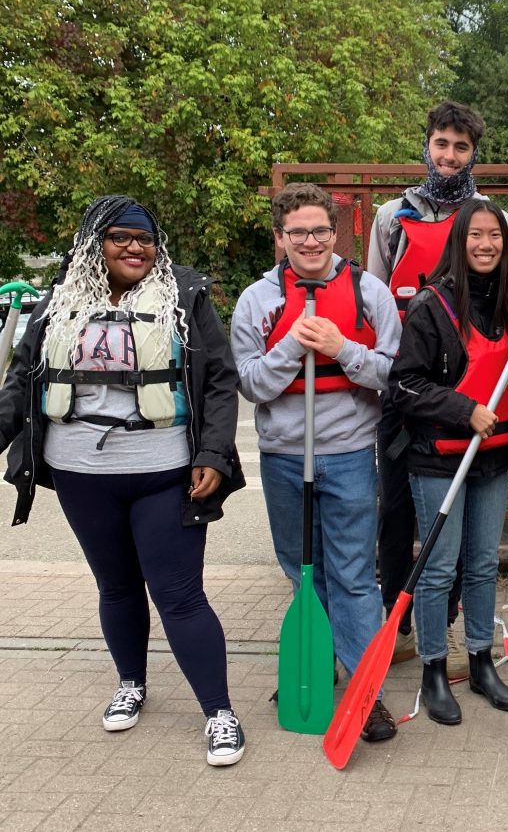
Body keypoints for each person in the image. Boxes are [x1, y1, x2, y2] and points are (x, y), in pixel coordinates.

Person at [0, 195, 247, 765]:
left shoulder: (184, 296)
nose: (135, 247)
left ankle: (219, 712)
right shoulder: (56, 304)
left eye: (144, 237)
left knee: (180, 596)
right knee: (115, 587)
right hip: (82, 473)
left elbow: (218, 380)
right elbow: (22, 382)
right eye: (119, 237)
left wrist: (212, 452)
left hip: (164, 471)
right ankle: (131, 683)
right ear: (95, 243)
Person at [231, 182, 401, 742]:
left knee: (352, 575)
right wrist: (291, 347)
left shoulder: (368, 291)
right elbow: (252, 384)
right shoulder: (258, 300)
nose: (310, 241)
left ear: (335, 233)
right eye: (298, 232)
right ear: (281, 238)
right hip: (282, 456)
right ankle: (318, 659)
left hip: (349, 452)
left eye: (320, 230)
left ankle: (363, 689)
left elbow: (392, 374)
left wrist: (338, 347)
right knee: (302, 568)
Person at [366, 100, 508, 676]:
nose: (449, 155)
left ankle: (451, 630)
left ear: (473, 153)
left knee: (462, 538)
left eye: (460, 147)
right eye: (441, 144)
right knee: (398, 515)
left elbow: (502, 299)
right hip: (409, 387)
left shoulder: (493, 220)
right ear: (427, 145)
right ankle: (397, 627)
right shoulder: (392, 215)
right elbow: (377, 302)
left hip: (471, 392)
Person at [388, 198, 508, 725]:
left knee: (484, 564)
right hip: (438, 459)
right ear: (459, 241)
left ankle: (482, 661)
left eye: (495, 237)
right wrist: (464, 409)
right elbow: (404, 385)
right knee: (439, 567)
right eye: (476, 236)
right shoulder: (429, 306)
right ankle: (434, 669)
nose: (486, 245)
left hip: (492, 458)